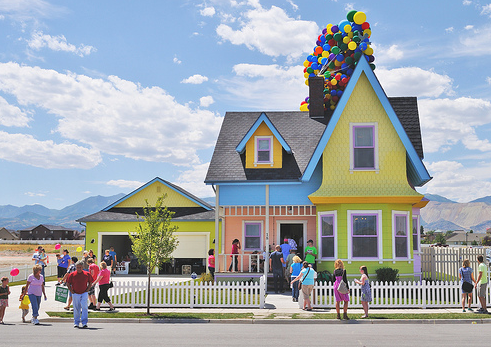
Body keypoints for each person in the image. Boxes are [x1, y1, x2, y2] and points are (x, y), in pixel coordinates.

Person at [66, 260, 93, 328]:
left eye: (80, 267)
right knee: (76, 308)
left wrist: (87, 289)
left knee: (84, 307)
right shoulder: (72, 274)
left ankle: (84, 322)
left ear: (83, 267)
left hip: (84, 293)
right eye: (77, 267)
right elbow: (68, 283)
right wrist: (71, 290)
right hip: (75, 293)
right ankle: (76, 322)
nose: (79, 269)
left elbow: (90, 282)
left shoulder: (87, 274)